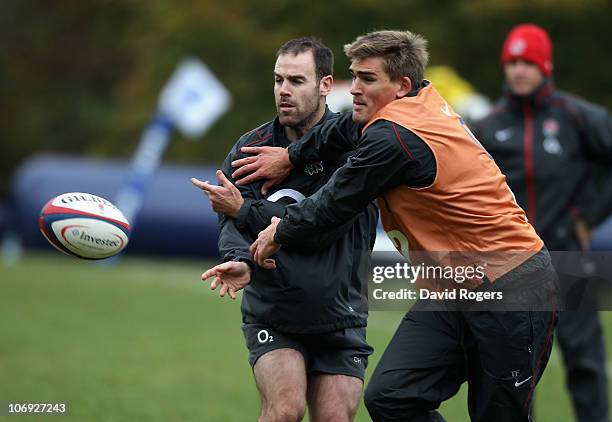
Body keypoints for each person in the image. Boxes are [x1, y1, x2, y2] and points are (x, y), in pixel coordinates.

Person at [234, 30, 559, 421]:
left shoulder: (395, 138)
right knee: (393, 397)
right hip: (455, 285)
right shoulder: (409, 104)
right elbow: (341, 131)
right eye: (354, 75)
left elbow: (334, 202)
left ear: (402, 85)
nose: (354, 88)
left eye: (367, 79)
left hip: (511, 284)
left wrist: (277, 232)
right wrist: (292, 156)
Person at [192, 37, 378, 422]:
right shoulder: (251, 148)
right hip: (275, 313)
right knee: (285, 411)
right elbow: (229, 220)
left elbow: (320, 225)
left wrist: (246, 210)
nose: (284, 92)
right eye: (278, 81)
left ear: (325, 85)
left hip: (340, 312)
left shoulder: (357, 149)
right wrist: (238, 259)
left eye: (296, 81)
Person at [473, 24, 612, 422]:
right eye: (512, 63)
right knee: (515, 369)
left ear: (544, 66)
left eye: (527, 63)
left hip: (570, 259)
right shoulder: (489, 127)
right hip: (515, 266)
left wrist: (587, 217)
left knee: (586, 363)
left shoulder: (578, 117)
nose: (518, 71)